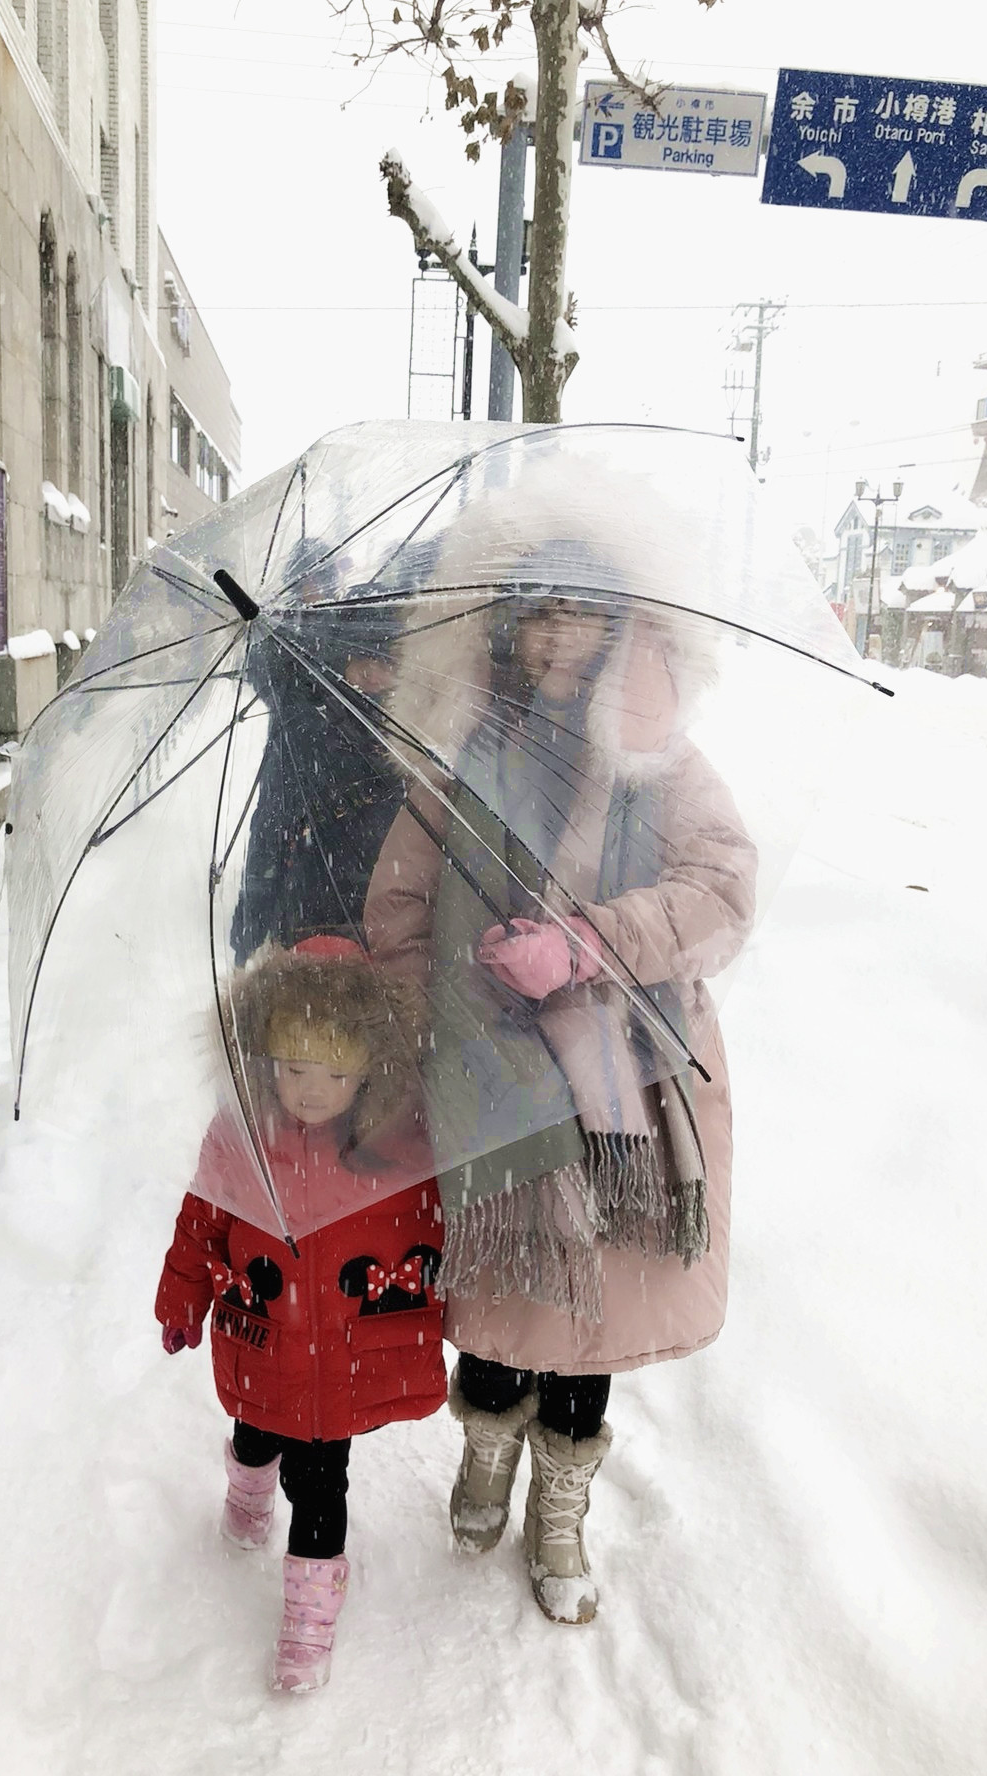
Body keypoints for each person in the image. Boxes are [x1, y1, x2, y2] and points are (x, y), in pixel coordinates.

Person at [364, 575, 757, 1626]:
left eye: (578, 608)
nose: (555, 634)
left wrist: (588, 942)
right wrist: (450, 1003)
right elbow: (397, 908)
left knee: (599, 1310)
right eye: (537, 610)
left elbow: (722, 887)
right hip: (492, 1083)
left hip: (625, 1082)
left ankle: (561, 1503)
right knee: (504, 1301)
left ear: (625, 619)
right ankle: (486, 1449)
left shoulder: (659, 758)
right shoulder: (464, 752)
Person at [155, 934, 442, 1691]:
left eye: (335, 1073)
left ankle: (310, 1619)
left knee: (321, 1482)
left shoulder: (399, 1147)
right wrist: (182, 1297)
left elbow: (434, 1237)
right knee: (255, 1434)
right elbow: (201, 1220)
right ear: (263, 1060)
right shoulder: (241, 1135)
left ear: (370, 1071)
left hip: (342, 1359)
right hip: (262, 1338)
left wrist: (448, 1308)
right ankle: (247, 1491)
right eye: (292, 1069)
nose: (310, 1091)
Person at [229, 538, 412, 964]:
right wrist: (250, 933)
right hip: (312, 911)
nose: (378, 674)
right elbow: (270, 833)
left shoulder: (409, 728)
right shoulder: (302, 701)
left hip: (385, 911)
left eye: (390, 661)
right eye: (367, 659)